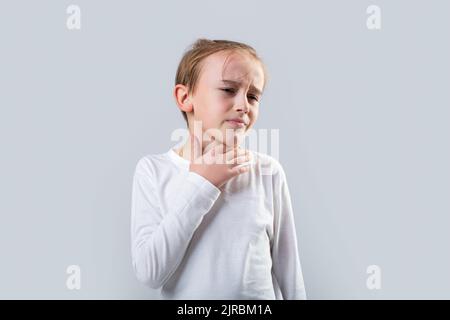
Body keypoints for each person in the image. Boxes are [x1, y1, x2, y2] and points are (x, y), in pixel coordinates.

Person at [131, 39, 306, 299]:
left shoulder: (268, 171)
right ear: (185, 97)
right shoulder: (153, 171)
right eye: (227, 89)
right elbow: (150, 272)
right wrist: (202, 182)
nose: (244, 106)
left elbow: (290, 274)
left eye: (253, 96)